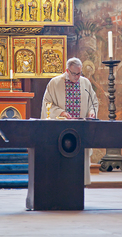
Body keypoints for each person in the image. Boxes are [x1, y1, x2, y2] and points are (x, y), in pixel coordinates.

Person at [41, 57, 98, 185]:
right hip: (61, 129)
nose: (78, 77)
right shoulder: (55, 83)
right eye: (74, 74)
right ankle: (59, 182)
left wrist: (92, 111)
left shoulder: (85, 83)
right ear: (67, 70)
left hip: (80, 128)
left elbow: (93, 101)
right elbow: (47, 103)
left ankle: (79, 183)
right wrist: (61, 112)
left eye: (79, 73)